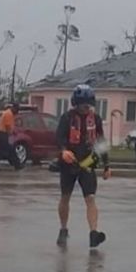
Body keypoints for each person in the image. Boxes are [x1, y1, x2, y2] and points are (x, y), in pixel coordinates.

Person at [55, 83, 109, 248]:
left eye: (88, 105)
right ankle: (63, 229)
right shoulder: (67, 118)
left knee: (90, 198)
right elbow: (59, 138)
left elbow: (101, 142)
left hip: (87, 163)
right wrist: (63, 151)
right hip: (69, 163)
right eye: (83, 105)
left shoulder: (96, 119)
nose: (86, 108)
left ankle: (93, 233)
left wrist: (107, 165)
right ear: (76, 104)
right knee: (65, 197)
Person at [0, 100, 21, 170]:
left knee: (1, 150)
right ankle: (17, 165)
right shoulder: (8, 114)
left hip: (0, 132)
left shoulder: (9, 113)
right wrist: (10, 134)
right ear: (13, 108)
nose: (17, 111)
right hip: (2, 133)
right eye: (17, 109)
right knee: (10, 149)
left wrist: (13, 131)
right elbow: (7, 126)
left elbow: (9, 125)